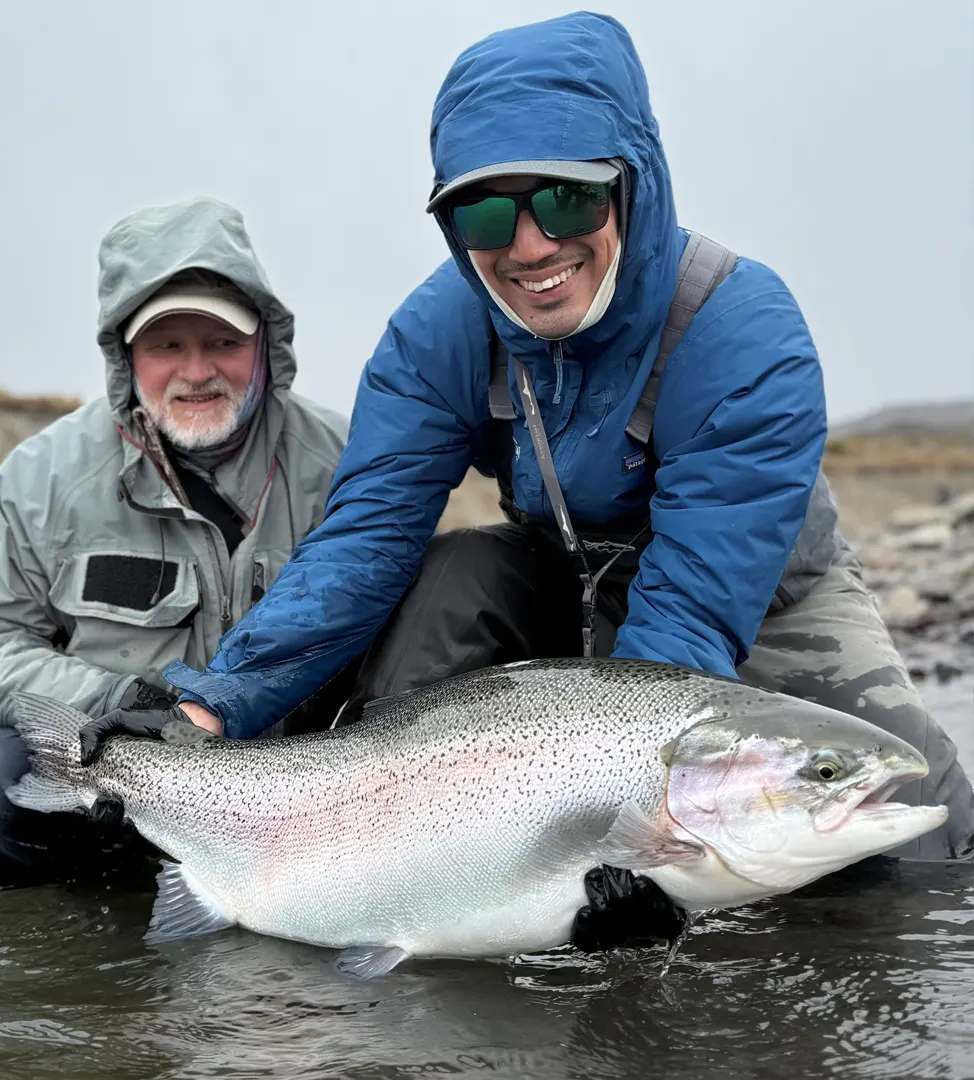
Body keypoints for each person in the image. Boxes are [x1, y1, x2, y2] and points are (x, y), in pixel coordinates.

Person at [92, 13, 974, 875]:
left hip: (754, 594)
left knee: (915, 836)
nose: (530, 246)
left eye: (566, 199)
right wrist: (208, 703)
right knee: (453, 575)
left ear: (630, 183)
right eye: (483, 216)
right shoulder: (437, 331)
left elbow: (694, 610)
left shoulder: (744, 331)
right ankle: (399, 862)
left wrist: (640, 842)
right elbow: (366, 539)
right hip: (563, 568)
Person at [0, 196, 349, 888]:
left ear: (266, 344)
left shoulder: (349, 460)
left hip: (304, 792)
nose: (197, 370)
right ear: (125, 357)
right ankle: (98, 925)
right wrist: (115, 696)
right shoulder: (42, 477)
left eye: (224, 343)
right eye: (167, 345)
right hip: (118, 786)